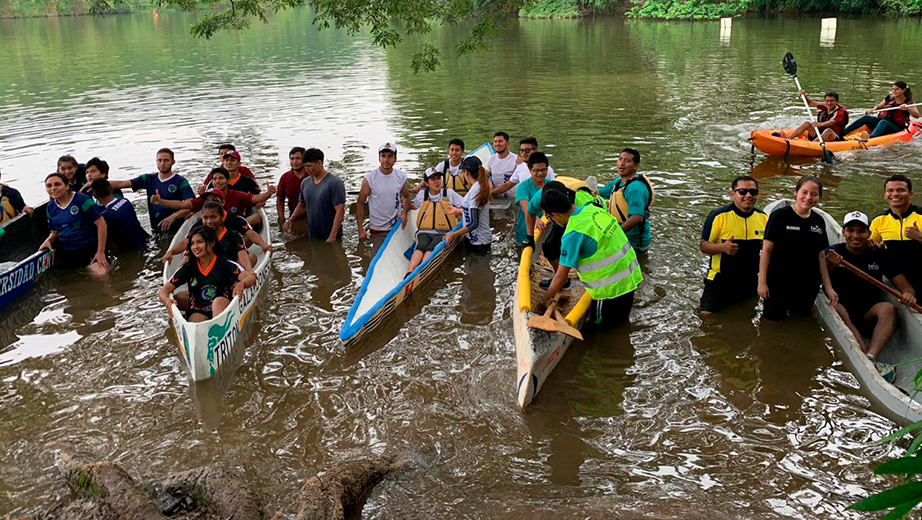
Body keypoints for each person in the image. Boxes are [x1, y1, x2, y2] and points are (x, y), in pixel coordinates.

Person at [827, 211, 916, 372]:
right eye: (851, 230)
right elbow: (817, 281)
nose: (856, 235)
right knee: (836, 307)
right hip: (842, 309)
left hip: (868, 313)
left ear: (869, 234)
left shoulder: (880, 254)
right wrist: (830, 265)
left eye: (861, 231)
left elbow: (906, 287)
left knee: (888, 308)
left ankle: (871, 356)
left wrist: (908, 295)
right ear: (844, 233)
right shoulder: (832, 252)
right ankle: (861, 352)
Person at [539, 189, 643, 325]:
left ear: (555, 214)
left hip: (609, 290)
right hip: (630, 278)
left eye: (549, 218)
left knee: (601, 329)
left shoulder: (573, 233)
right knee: (621, 322)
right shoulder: (594, 209)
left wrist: (546, 298)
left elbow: (561, 277)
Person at [758, 176, 835, 320]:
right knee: (772, 321)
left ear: (819, 197)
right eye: (804, 192)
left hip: (807, 283)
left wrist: (828, 287)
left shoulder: (818, 221)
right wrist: (762, 282)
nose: (808, 197)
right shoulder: (779, 216)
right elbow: (766, 250)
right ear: (796, 192)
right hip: (779, 281)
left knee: (799, 320)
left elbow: (821, 256)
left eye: (814, 194)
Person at [699, 176, 768, 315]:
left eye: (753, 192)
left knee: (746, 317)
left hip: (749, 281)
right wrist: (722, 248)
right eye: (742, 191)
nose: (748, 195)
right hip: (719, 279)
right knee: (707, 317)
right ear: (732, 194)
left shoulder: (763, 218)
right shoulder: (718, 216)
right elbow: (703, 246)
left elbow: (768, 249)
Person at [158, 225, 255, 323]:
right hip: (198, 311)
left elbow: (251, 277)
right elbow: (164, 290)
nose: (195, 247)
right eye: (192, 243)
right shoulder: (188, 268)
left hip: (222, 306)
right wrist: (167, 301)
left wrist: (241, 284)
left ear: (212, 243)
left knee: (218, 302)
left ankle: (220, 326)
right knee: (195, 324)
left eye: (200, 242)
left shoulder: (224, 264)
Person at [523, 178, 601, 288]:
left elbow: (596, 221)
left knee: (588, 247)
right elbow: (530, 212)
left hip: (587, 217)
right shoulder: (540, 198)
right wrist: (530, 237)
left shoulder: (583, 202)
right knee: (549, 246)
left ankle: (592, 275)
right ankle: (562, 279)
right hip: (561, 217)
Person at [108, 148, 195, 234]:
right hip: (155, 229)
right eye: (159, 160)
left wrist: (174, 216)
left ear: (173, 162)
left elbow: (191, 206)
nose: (162, 164)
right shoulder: (148, 179)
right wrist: (97, 184)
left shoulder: (180, 181)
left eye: (166, 160)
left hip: (177, 229)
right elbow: (122, 184)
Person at [153, 167, 275, 226]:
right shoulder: (207, 196)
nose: (217, 181)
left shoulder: (237, 195)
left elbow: (256, 199)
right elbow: (183, 204)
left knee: (256, 217)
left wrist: (268, 193)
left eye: (221, 178)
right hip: (212, 228)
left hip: (235, 227)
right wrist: (161, 201)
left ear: (228, 181)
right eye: (215, 179)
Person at [39, 173, 109, 276]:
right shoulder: (50, 207)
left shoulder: (82, 200)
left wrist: (100, 252)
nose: (53, 188)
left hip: (90, 249)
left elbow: (101, 224)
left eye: (57, 184)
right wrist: (48, 240)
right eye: (49, 186)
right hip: (68, 252)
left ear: (67, 186)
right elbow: (54, 232)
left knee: (101, 276)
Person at [402, 167, 464, 275]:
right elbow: (413, 206)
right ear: (426, 183)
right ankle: (410, 271)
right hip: (424, 231)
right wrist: (404, 208)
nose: (437, 182)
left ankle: (421, 270)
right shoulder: (422, 195)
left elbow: (466, 206)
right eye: (433, 179)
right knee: (421, 245)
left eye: (438, 178)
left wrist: (458, 211)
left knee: (431, 248)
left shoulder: (449, 193)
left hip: (443, 232)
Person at [162, 200, 254, 271]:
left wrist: (249, 272)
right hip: (208, 273)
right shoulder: (198, 237)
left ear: (222, 217)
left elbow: (242, 255)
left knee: (252, 257)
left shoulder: (234, 235)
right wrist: (170, 252)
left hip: (230, 271)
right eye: (205, 218)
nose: (209, 221)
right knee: (180, 295)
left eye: (213, 217)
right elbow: (186, 249)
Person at [870, 174, 922, 292]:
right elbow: (868, 245)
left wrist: (920, 237)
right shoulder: (879, 220)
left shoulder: (920, 216)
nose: (895, 194)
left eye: (901, 190)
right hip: (897, 276)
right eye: (890, 191)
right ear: (885, 195)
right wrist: (873, 245)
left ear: (910, 194)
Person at [282, 148, 346, 242]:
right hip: (312, 233)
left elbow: (340, 211)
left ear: (319, 163)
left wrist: (332, 236)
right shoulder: (305, 183)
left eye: (309, 166)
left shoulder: (334, 183)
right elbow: (302, 205)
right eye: (305, 166)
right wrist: (290, 220)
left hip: (330, 234)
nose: (307, 170)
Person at [599, 148, 654, 253]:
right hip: (623, 237)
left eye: (627, 161)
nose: (622, 164)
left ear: (636, 166)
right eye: (620, 159)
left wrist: (614, 234)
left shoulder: (635, 188)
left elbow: (637, 217)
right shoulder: (618, 182)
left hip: (634, 243)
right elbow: (597, 193)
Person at [356, 143, 409, 240]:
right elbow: (359, 203)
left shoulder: (401, 177)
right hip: (377, 229)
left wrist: (404, 213)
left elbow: (407, 196)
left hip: (396, 226)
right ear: (379, 158)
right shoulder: (369, 179)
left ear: (395, 159)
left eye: (390, 156)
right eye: (383, 156)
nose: (386, 160)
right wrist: (360, 229)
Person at [444, 156, 492, 250]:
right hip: (478, 240)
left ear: (466, 173)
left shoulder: (475, 191)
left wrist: (452, 235)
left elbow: (474, 223)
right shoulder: (479, 186)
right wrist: (458, 210)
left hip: (479, 242)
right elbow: (476, 212)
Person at [842, 81, 920, 139]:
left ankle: (870, 138)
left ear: (903, 90)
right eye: (893, 89)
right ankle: (843, 133)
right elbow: (879, 106)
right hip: (882, 122)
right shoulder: (889, 98)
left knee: (883, 122)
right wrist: (873, 110)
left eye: (897, 89)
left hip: (896, 127)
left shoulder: (908, 102)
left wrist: (908, 108)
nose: (894, 91)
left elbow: (916, 115)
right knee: (867, 118)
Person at [90, 179, 149, 251]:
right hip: (144, 238)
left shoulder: (106, 215)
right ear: (111, 189)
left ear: (95, 196)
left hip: (131, 248)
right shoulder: (125, 201)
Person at [513, 152, 552, 245]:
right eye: (536, 170)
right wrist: (535, 219)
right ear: (530, 170)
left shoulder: (550, 185)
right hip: (525, 233)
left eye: (543, 170)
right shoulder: (523, 187)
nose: (540, 173)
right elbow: (524, 205)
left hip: (545, 231)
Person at [782, 91, 849, 142]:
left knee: (828, 131)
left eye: (832, 101)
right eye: (827, 101)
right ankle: (788, 139)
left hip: (835, 138)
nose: (829, 103)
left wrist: (819, 124)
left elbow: (832, 122)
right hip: (820, 135)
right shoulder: (825, 106)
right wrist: (804, 96)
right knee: (807, 124)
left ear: (837, 101)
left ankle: (811, 145)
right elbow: (810, 103)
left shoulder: (840, 112)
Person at [276, 146, 307, 224]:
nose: (294, 162)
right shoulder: (285, 177)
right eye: (292, 159)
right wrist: (281, 217)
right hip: (293, 216)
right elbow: (280, 199)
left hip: (313, 215)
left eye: (298, 158)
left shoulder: (312, 176)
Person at [485, 132, 517, 198]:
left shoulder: (516, 159)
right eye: (495, 141)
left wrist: (490, 193)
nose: (497, 144)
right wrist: (489, 184)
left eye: (500, 141)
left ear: (507, 144)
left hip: (511, 198)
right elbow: (486, 176)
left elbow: (508, 185)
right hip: (495, 196)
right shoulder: (491, 159)